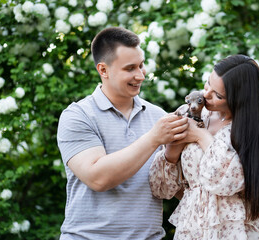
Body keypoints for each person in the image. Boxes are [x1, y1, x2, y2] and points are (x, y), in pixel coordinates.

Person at [57, 27, 188, 240]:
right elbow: (98, 178)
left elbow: (180, 187)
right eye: (130, 68)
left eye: (141, 65)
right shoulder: (78, 116)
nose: (140, 75)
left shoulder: (158, 117)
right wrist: (153, 139)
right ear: (103, 70)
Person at [149, 54, 259, 239]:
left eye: (218, 95)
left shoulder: (253, 127)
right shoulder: (193, 112)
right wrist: (172, 150)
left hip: (233, 229)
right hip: (192, 227)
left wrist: (200, 135)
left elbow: (224, 181)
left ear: (238, 100)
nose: (206, 95)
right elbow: (160, 188)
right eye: (208, 84)